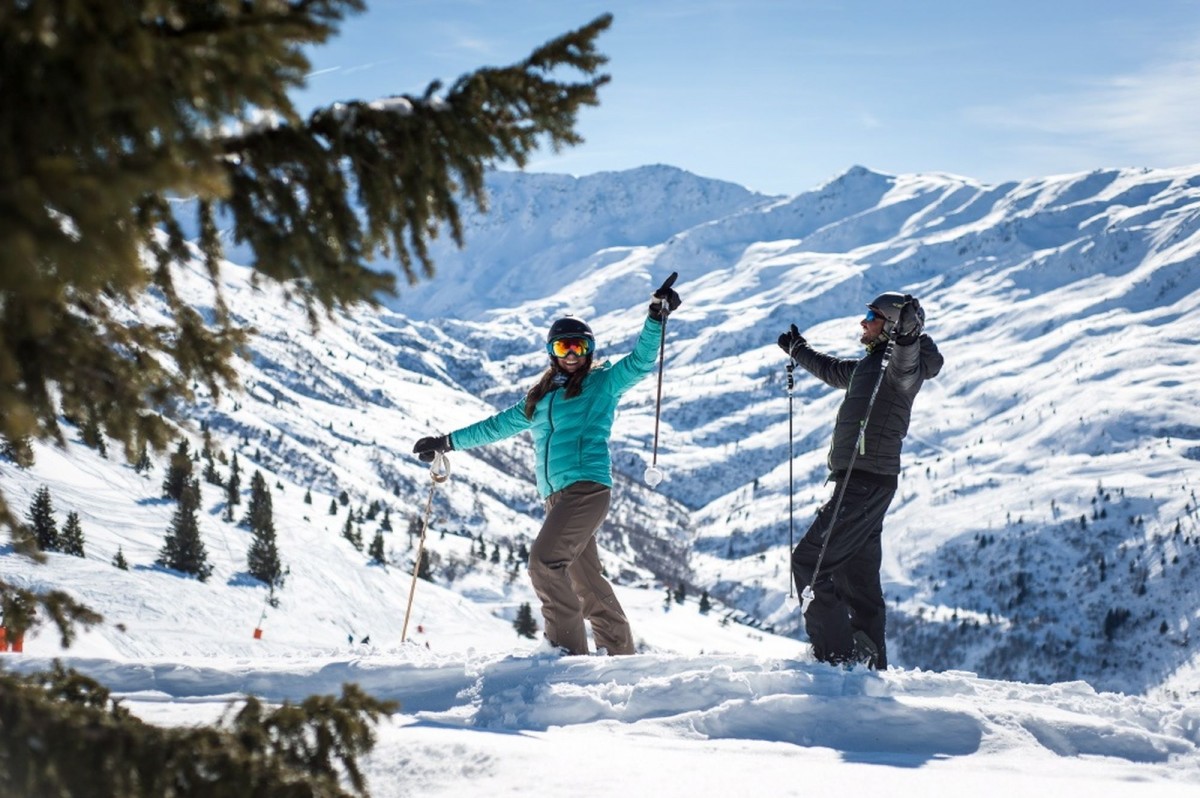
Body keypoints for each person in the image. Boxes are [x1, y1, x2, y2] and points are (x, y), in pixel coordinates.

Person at [413, 274, 682, 656]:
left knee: (544, 562)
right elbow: (497, 426)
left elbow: (640, 362)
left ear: (589, 350)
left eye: (579, 346)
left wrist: (655, 317)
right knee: (586, 582)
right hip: (557, 498)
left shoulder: (602, 383)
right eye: (563, 346)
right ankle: (622, 658)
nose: (571, 354)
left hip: (586, 489)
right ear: (551, 352)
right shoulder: (539, 399)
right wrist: (447, 442)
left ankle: (565, 654)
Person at [777, 292, 943, 669]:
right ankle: (869, 664)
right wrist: (798, 350)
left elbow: (904, 361)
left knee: (810, 563)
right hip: (867, 483)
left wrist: (907, 336)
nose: (863, 322)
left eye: (872, 315)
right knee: (857, 579)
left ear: (892, 325)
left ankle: (837, 659)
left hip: (864, 484)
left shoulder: (903, 368)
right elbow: (834, 370)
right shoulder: (870, 366)